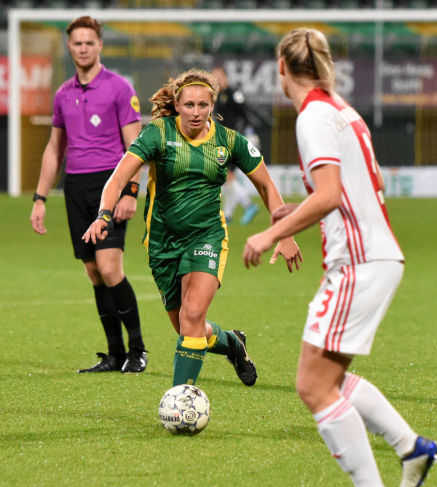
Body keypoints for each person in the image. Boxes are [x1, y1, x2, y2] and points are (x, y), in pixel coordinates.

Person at [243, 28, 437, 487]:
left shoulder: (312, 118)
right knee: (329, 377)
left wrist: (271, 234)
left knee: (313, 385)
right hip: (373, 256)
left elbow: (330, 195)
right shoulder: (340, 109)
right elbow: (346, 190)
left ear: (281, 67)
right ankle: (411, 448)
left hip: (359, 262)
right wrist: (294, 210)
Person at [83, 68, 302, 387]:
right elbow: (118, 178)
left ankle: (180, 398)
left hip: (207, 238)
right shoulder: (158, 133)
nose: (196, 112)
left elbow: (267, 186)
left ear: (213, 105)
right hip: (161, 244)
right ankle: (233, 344)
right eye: (189, 105)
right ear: (177, 104)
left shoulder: (229, 141)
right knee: (189, 328)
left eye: (203, 105)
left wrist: (285, 233)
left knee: (193, 317)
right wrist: (104, 215)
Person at [30, 16, 147, 374]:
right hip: (76, 188)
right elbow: (54, 149)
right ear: (70, 47)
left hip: (109, 186)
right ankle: (113, 355)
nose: (83, 48)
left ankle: (137, 350)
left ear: (100, 46)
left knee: (111, 269)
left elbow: (137, 147)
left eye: (89, 42)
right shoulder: (63, 94)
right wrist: (39, 198)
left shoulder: (119, 88)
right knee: (94, 272)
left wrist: (130, 193)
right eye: (77, 43)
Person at [213, 66, 259, 226]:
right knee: (227, 177)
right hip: (224, 140)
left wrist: (247, 134)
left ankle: (248, 205)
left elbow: (245, 114)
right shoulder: (218, 96)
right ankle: (230, 215)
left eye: (219, 75)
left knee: (227, 175)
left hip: (235, 139)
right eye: (214, 76)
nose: (216, 79)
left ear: (225, 77)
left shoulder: (234, 94)